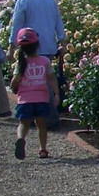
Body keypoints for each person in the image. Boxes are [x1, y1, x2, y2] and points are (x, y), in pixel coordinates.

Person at [8, 0, 66, 127]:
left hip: (30, 45)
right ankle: (42, 115)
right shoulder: (50, 0)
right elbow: (58, 22)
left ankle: (43, 117)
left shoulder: (23, 1)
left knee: (29, 80)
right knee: (45, 79)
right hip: (48, 45)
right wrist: (62, 42)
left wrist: (11, 47)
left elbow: (17, 25)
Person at [10, 28, 60, 160]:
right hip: (41, 98)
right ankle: (42, 149)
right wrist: (56, 93)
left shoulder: (20, 63)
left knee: (23, 123)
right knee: (41, 124)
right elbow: (52, 78)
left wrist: (13, 87)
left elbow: (15, 80)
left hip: (25, 99)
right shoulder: (44, 61)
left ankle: (21, 139)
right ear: (37, 44)